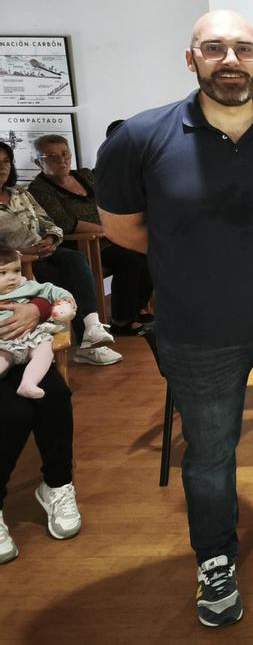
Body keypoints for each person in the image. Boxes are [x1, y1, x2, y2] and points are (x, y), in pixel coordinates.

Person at [95, 10, 253, 628]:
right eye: (214, 49)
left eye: (242, 49)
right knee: (209, 453)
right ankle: (214, 556)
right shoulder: (141, 137)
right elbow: (123, 228)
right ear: (191, 59)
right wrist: (195, 255)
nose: (229, 60)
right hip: (198, 331)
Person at [0, 142, 120, 365]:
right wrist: (23, 252)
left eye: (6, 162)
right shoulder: (38, 187)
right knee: (59, 280)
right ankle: (82, 343)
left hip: (45, 251)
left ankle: (92, 329)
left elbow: (49, 223)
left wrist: (51, 239)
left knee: (75, 259)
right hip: (15, 264)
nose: (2, 168)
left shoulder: (20, 193)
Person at [28, 134, 155, 337]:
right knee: (129, 258)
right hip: (82, 244)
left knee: (148, 248)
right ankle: (122, 320)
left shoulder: (85, 175)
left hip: (111, 236)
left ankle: (137, 308)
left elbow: (111, 197)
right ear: (38, 162)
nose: (61, 160)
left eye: (65, 154)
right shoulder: (38, 189)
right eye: (51, 156)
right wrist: (107, 228)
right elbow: (66, 224)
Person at [0, 250, 81, 562]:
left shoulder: (22, 279)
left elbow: (47, 295)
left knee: (54, 396)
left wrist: (38, 308)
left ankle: (57, 485)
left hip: (27, 352)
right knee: (13, 412)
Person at [0, 246, 76, 399]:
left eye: (16, 270)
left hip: (32, 337)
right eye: (2, 273)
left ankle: (28, 383)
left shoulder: (27, 286)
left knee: (45, 350)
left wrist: (67, 299)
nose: (12, 277)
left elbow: (50, 290)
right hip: (3, 342)